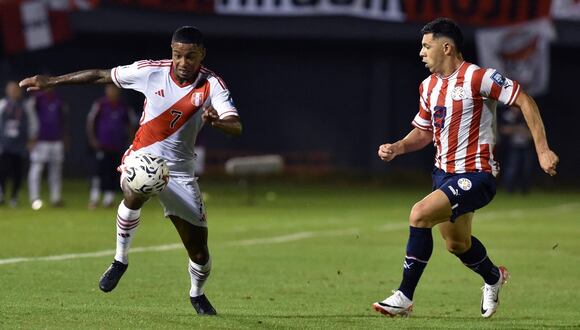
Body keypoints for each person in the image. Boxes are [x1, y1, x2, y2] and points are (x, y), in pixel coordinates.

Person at [19, 26, 242, 315]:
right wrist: (52, 81)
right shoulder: (150, 71)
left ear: (202, 55)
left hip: (181, 174)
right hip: (143, 157)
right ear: (171, 52)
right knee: (136, 186)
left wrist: (217, 122)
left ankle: (196, 294)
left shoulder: (213, 85)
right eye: (177, 55)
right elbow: (101, 75)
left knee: (200, 253)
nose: (183, 63)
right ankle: (120, 259)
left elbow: (236, 125)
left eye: (190, 56)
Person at [372, 18, 558, 318]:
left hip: (477, 174)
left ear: (446, 47)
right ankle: (493, 277)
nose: (421, 52)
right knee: (457, 243)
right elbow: (423, 132)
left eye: (426, 46)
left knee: (419, 214)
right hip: (443, 175)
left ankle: (404, 297)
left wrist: (543, 150)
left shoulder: (478, 77)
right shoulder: (428, 87)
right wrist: (398, 147)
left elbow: (524, 99)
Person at [87, 84, 136, 209]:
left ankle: (108, 200)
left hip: (117, 146)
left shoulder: (123, 107)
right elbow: (91, 121)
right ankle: (94, 199)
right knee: (99, 173)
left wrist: (131, 143)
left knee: (113, 174)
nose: (112, 92)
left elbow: (131, 125)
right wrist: (93, 139)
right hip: (102, 145)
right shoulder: (101, 104)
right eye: (110, 89)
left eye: (114, 89)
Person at [27, 87, 69, 209]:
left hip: (56, 140)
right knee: (36, 168)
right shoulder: (36, 99)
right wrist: (31, 136)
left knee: (56, 171)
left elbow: (64, 120)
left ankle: (55, 198)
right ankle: (34, 197)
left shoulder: (59, 100)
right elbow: (29, 118)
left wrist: (65, 138)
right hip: (39, 140)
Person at [0, 81, 38, 207]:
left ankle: (14, 197)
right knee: (3, 170)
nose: (13, 92)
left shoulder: (26, 105)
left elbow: (33, 123)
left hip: (20, 145)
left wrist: (32, 139)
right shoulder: (3, 104)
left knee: (18, 172)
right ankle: (1, 194)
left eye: (15, 89)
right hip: (5, 144)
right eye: (10, 89)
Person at [500, 106, 534, 194]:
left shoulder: (526, 116)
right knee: (511, 169)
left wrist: (526, 132)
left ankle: (525, 190)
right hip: (513, 147)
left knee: (526, 169)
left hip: (526, 147)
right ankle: (509, 190)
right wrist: (517, 128)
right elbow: (503, 130)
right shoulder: (508, 116)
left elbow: (532, 133)